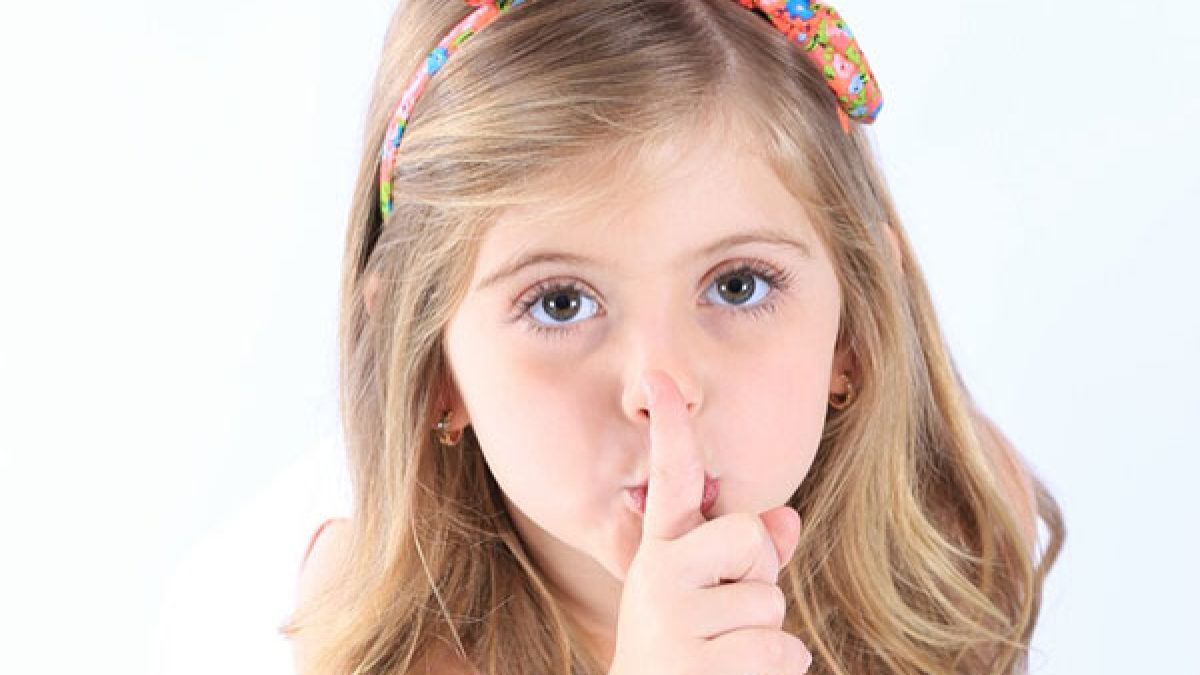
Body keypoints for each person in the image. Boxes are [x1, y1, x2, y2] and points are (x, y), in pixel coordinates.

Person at [280, 0, 1065, 673]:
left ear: (855, 328)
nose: (662, 389)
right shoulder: (397, 641)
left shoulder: (951, 532)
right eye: (560, 302)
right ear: (432, 368)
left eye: (738, 285)